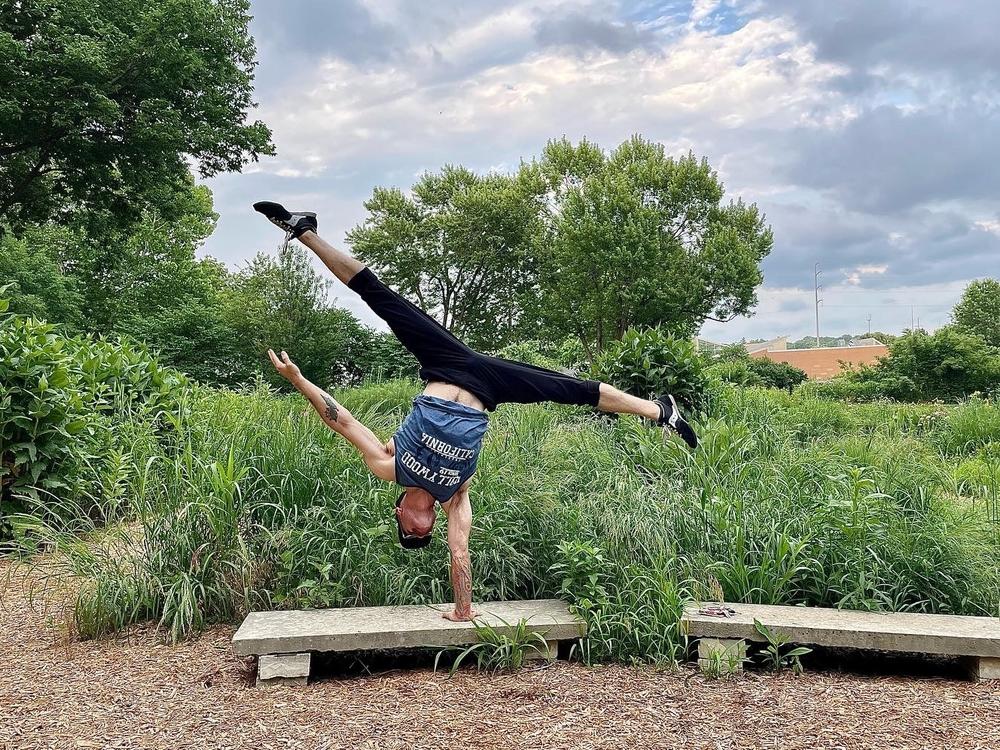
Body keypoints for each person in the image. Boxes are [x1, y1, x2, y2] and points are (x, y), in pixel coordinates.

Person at [253, 201, 699, 622]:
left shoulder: (389, 465)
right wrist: (463, 610)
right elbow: (460, 551)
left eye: (413, 533)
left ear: (400, 516)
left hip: (446, 365)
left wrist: (297, 380)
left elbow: (342, 420)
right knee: (573, 390)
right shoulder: (456, 498)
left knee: (381, 298)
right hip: (488, 387)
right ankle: (662, 412)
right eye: (422, 536)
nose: (421, 531)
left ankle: (304, 230)